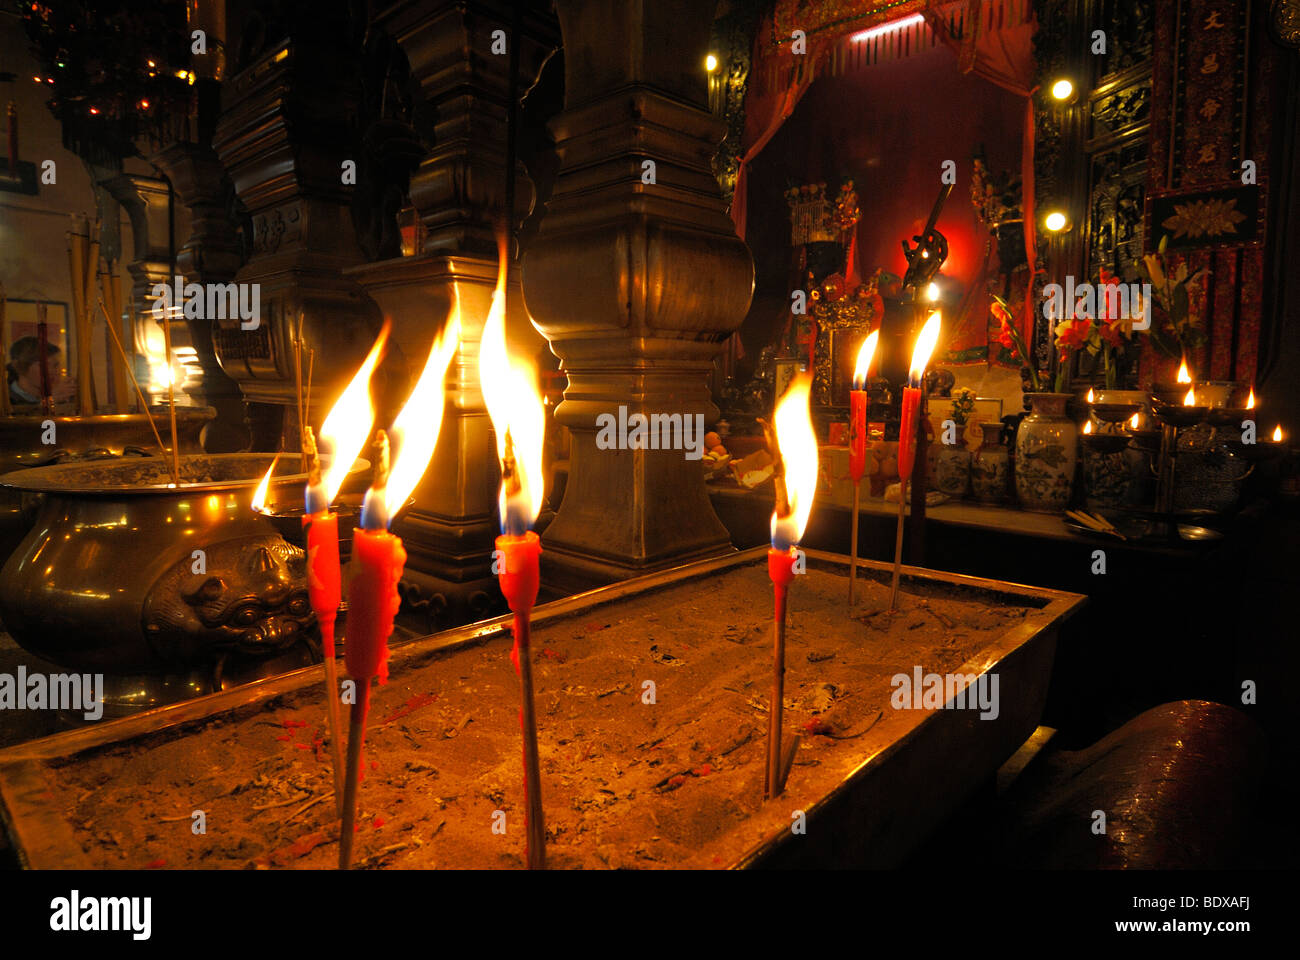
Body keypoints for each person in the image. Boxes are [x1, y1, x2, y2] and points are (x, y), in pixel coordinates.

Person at [7, 336, 74, 407]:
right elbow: (21, 417)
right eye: (43, 365)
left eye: (55, 365)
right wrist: (50, 401)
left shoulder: (58, 397)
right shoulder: (5, 399)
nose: (52, 371)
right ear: (20, 367)